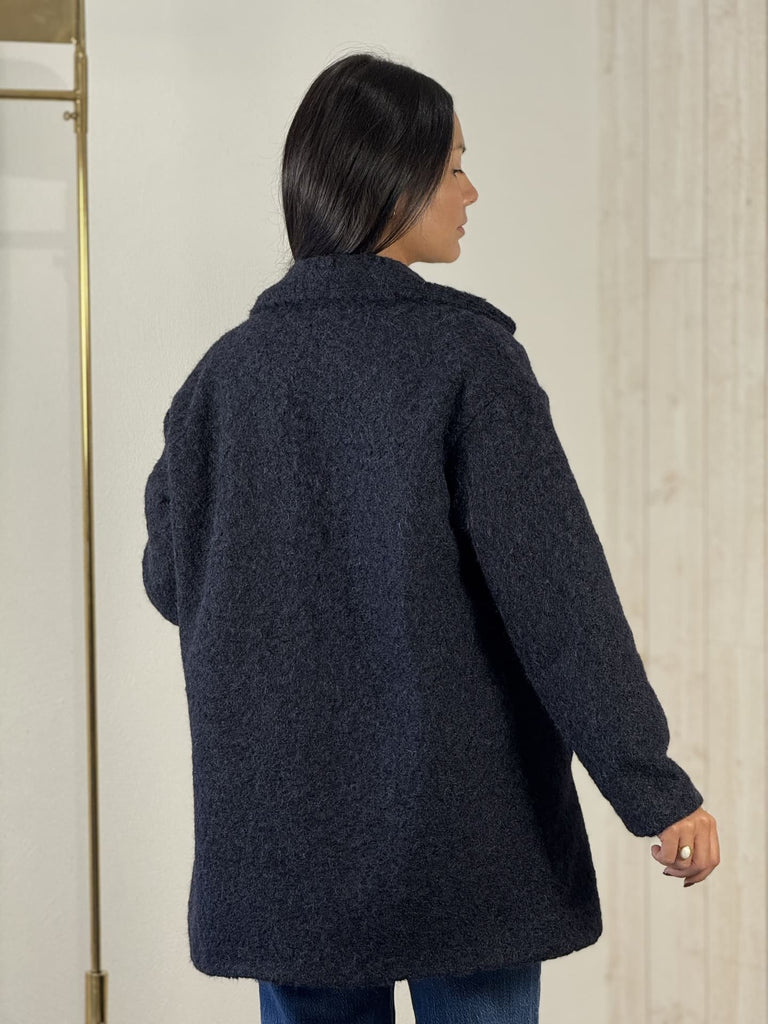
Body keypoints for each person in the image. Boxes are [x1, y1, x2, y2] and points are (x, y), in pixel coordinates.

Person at [141, 51, 720, 1024]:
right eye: (454, 165)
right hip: (464, 844)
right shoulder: (467, 362)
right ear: (391, 178)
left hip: (288, 850)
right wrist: (654, 790)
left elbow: (173, 579)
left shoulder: (223, 379)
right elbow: (559, 602)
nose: (470, 191)